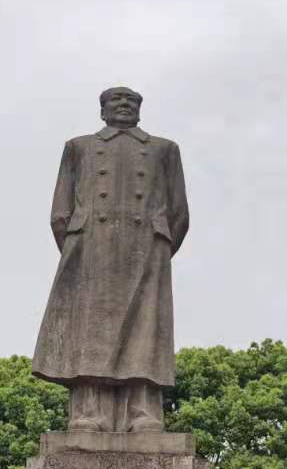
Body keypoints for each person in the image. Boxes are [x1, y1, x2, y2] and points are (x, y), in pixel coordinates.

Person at [31, 86, 190, 432]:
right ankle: (89, 412)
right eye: (115, 100)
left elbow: (179, 214)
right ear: (102, 110)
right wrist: (81, 253)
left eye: (131, 101)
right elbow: (60, 213)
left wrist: (157, 249)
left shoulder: (164, 149)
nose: (123, 105)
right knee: (90, 335)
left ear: (140, 109)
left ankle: (143, 412)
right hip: (92, 254)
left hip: (147, 252)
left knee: (146, 333)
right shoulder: (79, 147)